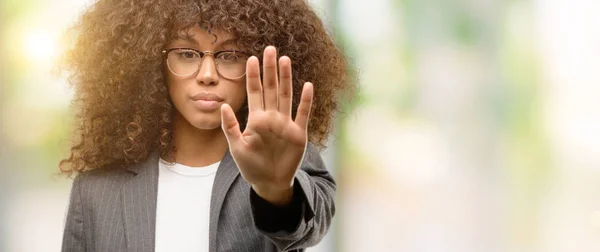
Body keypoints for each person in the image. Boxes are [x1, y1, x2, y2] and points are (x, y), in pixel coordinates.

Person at [58, 0, 353, 251]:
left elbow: (307, 224)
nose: (207, 74)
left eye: (230, 55)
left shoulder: (280, 161)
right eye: (187, 54)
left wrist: (275, 190)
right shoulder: (96, 189)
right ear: (150, 63)